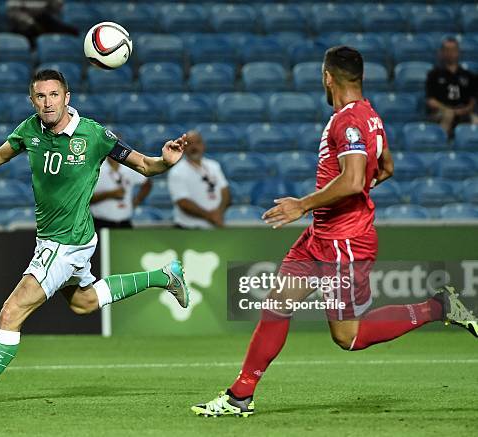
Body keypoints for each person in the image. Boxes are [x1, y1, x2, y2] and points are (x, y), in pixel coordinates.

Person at [192, 46, 477, 417]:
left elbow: (356, 178)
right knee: (276, 306)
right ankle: (239, 396)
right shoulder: (370, 116)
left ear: (328, 77)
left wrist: (303, 204)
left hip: (344, 242)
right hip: (321, 236)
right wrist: (338, 200)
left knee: (349, 337)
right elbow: (386, 168)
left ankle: (438, 307)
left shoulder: (349, 122)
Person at [0, 69, 190, 406]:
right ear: (33, 100)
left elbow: (144, 166)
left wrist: (164, 162)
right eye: (41, 96)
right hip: (59, 239)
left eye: (54, 95)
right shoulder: (30, 130)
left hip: (65, 242)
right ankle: (164, 276)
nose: (48, 102)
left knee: (11, 312)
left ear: (67, 97)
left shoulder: (94, 134)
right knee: (84, 304)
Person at [167, 130, 230, 229]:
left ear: (203, 145)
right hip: (188, 228)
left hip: (213, 227)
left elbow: (225, 191)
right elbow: (183, 202)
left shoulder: (214, 166)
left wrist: (219, 213)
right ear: (183, 147)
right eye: (190, 143)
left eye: (197, 142)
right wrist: (210, 216)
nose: (194, 147)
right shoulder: (177, 171)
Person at [426, 37, 478, 138]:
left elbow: (473, 101)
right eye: (447, 50)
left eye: (453, 50)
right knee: (448, 115)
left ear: (458, 52)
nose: (450, 53)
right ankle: (442, 146)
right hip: (442, 112)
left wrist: (465, 109)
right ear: (441, 52)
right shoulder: (434, 75)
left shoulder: (468, 75)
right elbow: (430, 101)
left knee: (476, 120)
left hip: (463, 112)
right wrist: (448, 109)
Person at [90, 156, 152, 229]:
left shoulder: (128, 167)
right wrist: (109, 194)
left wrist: (137, 200)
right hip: (100, 223)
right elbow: (86, 200)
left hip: (125, 223)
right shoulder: (96, 169)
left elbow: (147, 183)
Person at [7, 0, 79, 47]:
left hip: (43, 19)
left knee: (72, 31)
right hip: (25, 23)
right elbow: (13, 12)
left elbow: (57, 8)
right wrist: (30, 21)